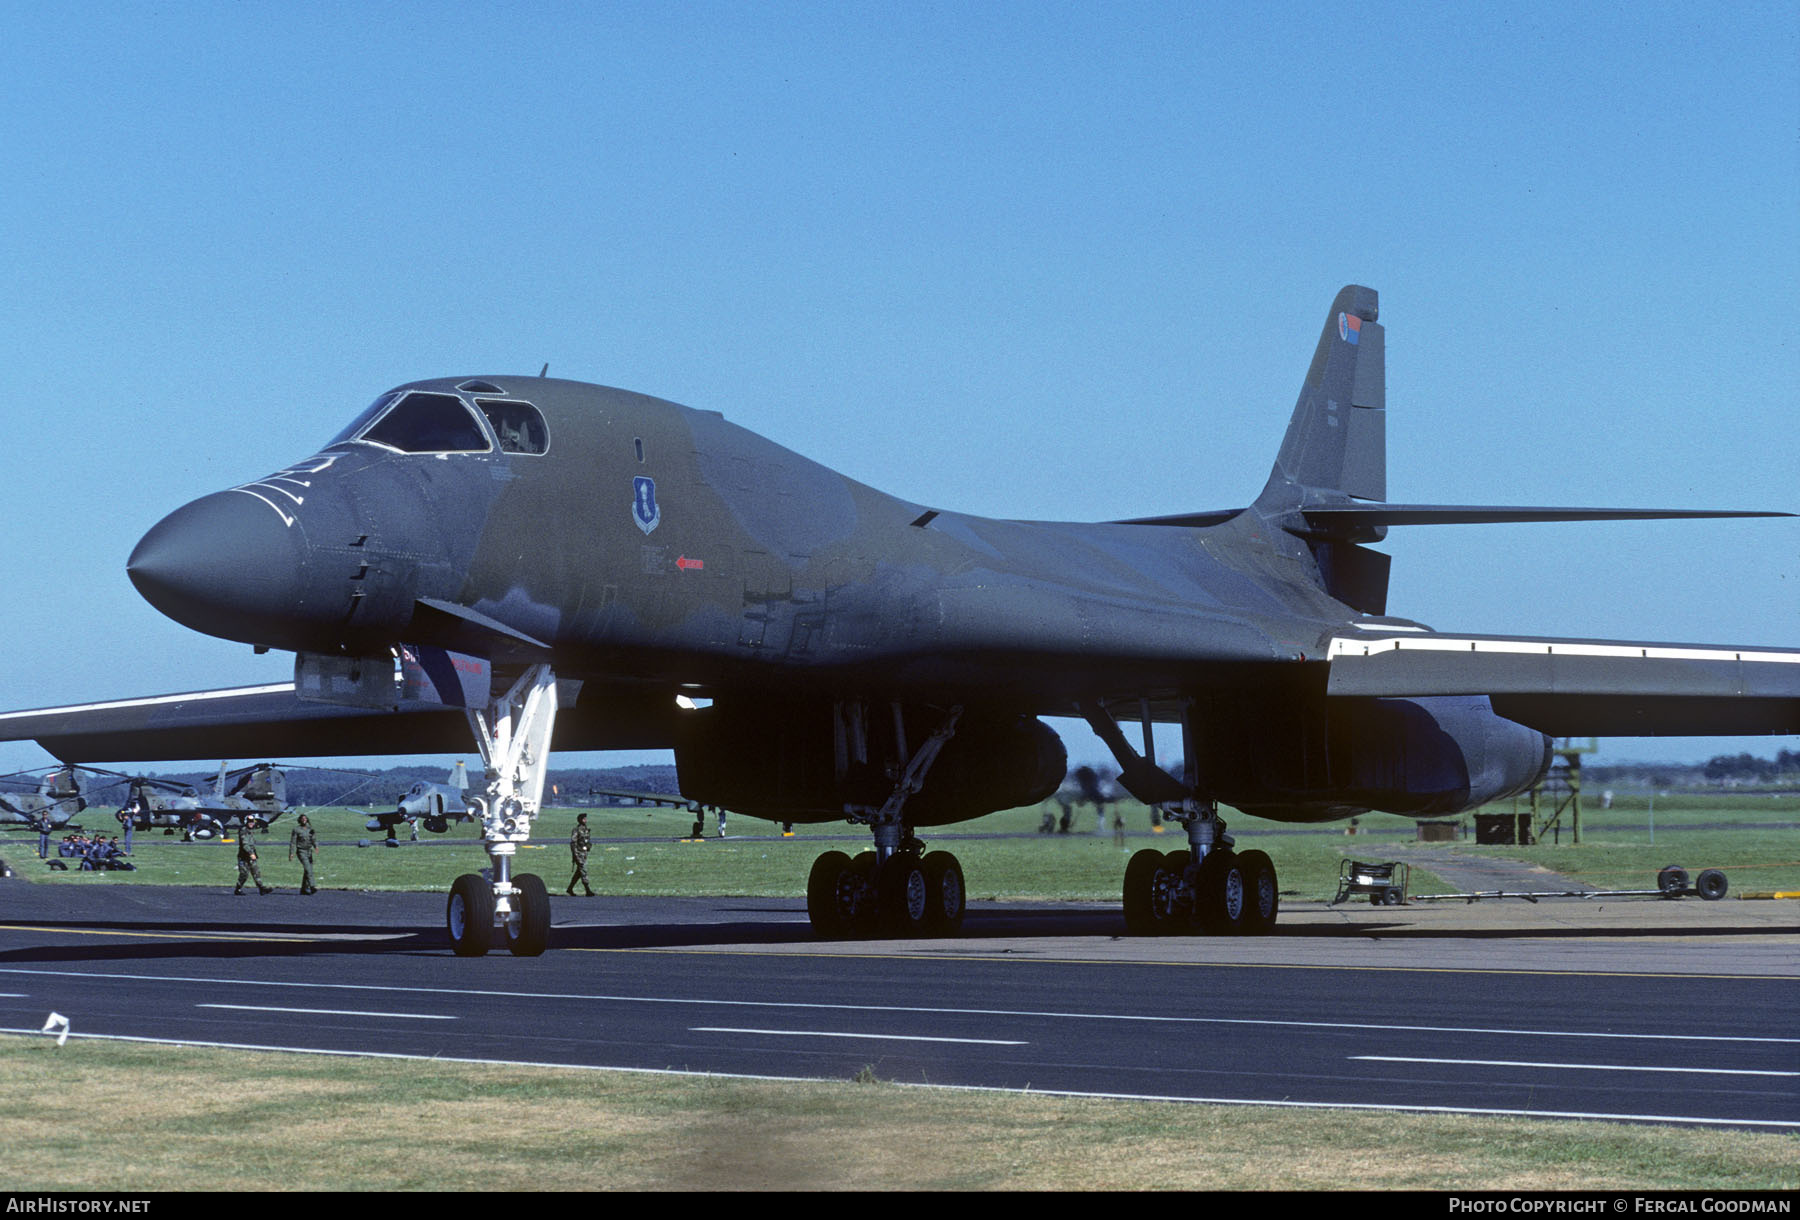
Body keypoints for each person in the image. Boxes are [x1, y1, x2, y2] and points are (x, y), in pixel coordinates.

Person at [235, 818, 272, 895]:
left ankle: (261, 888)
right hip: (244, 856)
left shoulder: (250, 831)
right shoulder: (244, 831)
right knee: (244, 874)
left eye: (252, 822)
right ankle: (238, 889)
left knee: (256, 872)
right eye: (250, 822)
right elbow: (245, 845)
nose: (251, 823)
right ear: (247, 822)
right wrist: (251, 853)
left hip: (251, 855)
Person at [288, 813, 319, 895]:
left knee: (307, 870)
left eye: (305, 818)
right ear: (300, 820)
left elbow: (314, 839)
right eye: (302, 819)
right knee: (309, 869)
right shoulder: (296, 830)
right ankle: (312, 886)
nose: (304, 820)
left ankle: (303, 889)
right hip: (301, 851)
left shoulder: (310, 829)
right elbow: (293, 842)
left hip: (309, 851)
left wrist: (316, 846)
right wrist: (291, 853)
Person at [567, 812, 594, 897]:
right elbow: (573, 843)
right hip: (579, 854)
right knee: (583, 870)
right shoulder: (576, 830)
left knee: (579, 872)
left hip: (584, 853)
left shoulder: (586, 829)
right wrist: (575, 855)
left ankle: (570, 888)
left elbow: (587, 841)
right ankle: (587, 889)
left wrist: (588, 846)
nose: (585, 820)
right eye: (584, 819)